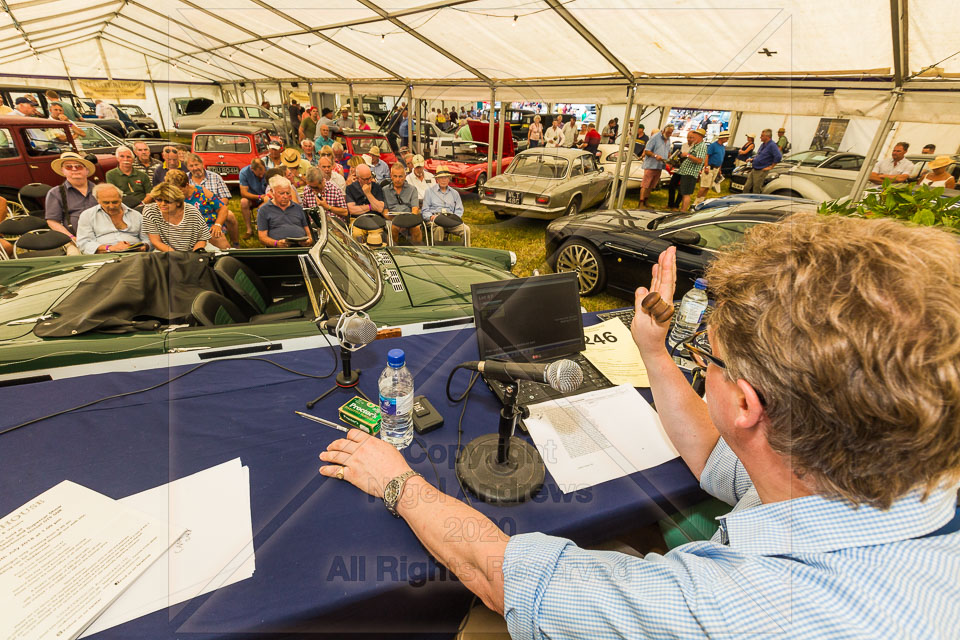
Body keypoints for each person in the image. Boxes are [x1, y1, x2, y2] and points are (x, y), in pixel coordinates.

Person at [319, 213, 960, 639]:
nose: (700, 365)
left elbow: (499, 575)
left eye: (706, 356)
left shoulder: (728, 610)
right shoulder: (886, 482)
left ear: (745, 403)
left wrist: (399, 483)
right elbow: (712, 454)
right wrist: (656, 350)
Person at [164, 169, 231, 250]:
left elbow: (222, 208)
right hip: (184, 228)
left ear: (187, 184)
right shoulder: (168, 197)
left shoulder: (201, 191)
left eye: (180, 190)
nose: (177, 194)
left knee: (218, 237)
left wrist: (217, 225)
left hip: (208, 225)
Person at [75, 183, 151, 254]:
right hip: (105, 255)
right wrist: (110, 248)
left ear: (121, 198)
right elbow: (84, 243)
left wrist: (144, 247)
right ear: (97, 200)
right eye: (106, 203)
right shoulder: (87, 215)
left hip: (135, 254)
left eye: (115, 202)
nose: (111, 206)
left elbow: (148, 239)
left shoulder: (136, 215)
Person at [185, 154, 238, 245]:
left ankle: (236, 243)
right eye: (191, 166)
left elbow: (225, 198)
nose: (195, 168)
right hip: (193, 214)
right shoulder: (184, 179)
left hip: (215, 210)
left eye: (197, 165)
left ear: (202, 164)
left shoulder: (215, 177)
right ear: (187, 167)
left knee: (230, 215)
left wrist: (215, 207)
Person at [141, 182, 210, 252]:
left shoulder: (192, 211)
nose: (163, 204)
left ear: (178, 202)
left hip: (191, 252)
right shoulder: (150, 211)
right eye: (159, 200)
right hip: (164, 252)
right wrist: (176, 256)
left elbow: (202, 238)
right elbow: (156, 241)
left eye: (167, 201)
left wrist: (194, 256)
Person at [45, 151, 97, 240]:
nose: (74, 169)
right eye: (68, 167)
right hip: (73, 239)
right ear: (63, 171)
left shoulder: (100, 190)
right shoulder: (55, 193)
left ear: (86, 170)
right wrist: (71, 238)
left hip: (104, 236)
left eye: (78, 166)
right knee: (73, 253)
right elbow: (52, 221)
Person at [256, 176, 313, 248]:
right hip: (278, 251)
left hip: (299, 248)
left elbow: (308, 232)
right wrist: (276, 243)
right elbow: (262, 237)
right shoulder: (264, 210)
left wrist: (309, 240)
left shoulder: (298, 208)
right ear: (272, 192)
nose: (285, 196)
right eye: (281, 193)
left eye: (288, 193)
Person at [345, 164, 388, 246]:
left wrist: (368, 193)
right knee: (356, 235)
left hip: (374, 220)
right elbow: (352, 210)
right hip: (357, 220)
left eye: (370, 177)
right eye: (365, 179)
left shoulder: (377, 187)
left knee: (376, 237)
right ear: (358, 178)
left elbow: (380, 208)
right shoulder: (350, 188)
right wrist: (371, 206)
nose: (369, 181)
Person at [421, 166, 465, 243]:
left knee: (466, 229)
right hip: (436, 220)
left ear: (449, 179)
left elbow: (459, 210)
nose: (444, 180)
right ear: (437, 179)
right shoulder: (429, 192)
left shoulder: (455, 193)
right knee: (439, 229)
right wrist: (431, 217)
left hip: (450, 220)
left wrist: (454, 219)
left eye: (446, 177)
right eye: (441, 178)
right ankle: (438, 253)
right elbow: (425, 210)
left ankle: (466, 251)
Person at [382, 162, 422, 244]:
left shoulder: (412, 189)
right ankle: (393, 251)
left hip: (409, 219)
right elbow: (385, 212)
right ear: (391, 176)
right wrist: (398, 221)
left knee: (416, 229)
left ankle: (417, 251)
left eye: (400, 176)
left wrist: (406, 222)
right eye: (395, 176)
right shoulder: (384, 190)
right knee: (393, 228)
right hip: (392, 219)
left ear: (405, 176)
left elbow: (415, 210)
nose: (397, 179)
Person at [640, 124, 674, 207]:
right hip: (651, 165)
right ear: (664, 130)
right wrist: (655, 156)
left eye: (671, 133)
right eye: (669, 132)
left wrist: (670, 158)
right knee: (645, 184)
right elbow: (647, 151)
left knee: (652, 185)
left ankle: (646, 201)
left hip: (660, 166)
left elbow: (668, 151)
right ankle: (640, 203)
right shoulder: (655, 137)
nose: (670, 134)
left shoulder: (668, 139)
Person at [677, 128, 708, 212]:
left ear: (699, 136)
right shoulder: (697, 145)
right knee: (684, 193)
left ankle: (683, 211)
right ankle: (682, 210)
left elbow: (699, 160)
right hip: (686, 172)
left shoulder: (701, 146)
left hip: (690, 173)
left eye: (695, 135)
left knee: (686, 193)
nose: (693, 136)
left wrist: (687, 155)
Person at [743, 128, 782, 194]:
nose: (760, 137)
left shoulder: (772, 145)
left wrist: (771, 167)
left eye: (762, 136)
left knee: (756, 188)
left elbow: (778, 156)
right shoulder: (763, 144)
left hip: (761, 170)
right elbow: (760, 155)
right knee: (747, 186)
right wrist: (752, 159)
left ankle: (755, 202)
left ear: (767, 137)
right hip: (755, 168)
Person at [239, 158, 268, 239]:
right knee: (243, 202)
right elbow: (243, 193)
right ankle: (249, 230)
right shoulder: (244, 173)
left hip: (266, 197)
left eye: (263, 173)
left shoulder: (269, 171)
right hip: (253, 197)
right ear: (252, 169)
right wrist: (259, 197)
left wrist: (264, 198)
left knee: (263, 205)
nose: (262, 176)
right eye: (259, 174)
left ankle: (262, 229)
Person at [697, 131, 729, 204]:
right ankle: (695, 202)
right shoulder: (713, 145)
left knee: (708, 187)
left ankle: (701, 201)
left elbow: (721, 158)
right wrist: (706, 166)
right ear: (722, 138)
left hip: (716, 168)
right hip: (710, 168)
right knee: (704, 186)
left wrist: (719, 169)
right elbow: (707, 155)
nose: (727, 139)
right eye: (727, 138)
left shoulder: (722, 147)